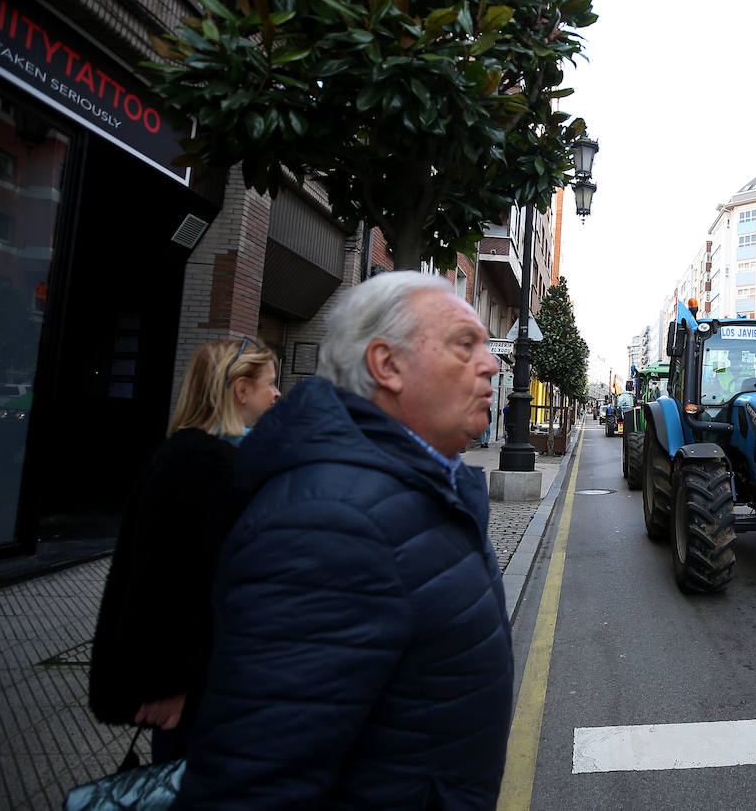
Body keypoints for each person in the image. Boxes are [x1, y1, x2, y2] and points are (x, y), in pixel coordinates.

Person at [175, 272, 510, 810]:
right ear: (387, 365)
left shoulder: (417, 488)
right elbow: (253, 782)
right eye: (463, 344)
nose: (490, 362)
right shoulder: (330, 523)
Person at [89, 336, 279, 763]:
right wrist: (169, 686)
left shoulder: (196, 455)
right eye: (269, 382)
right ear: (241, 389)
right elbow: (172, 585)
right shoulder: (202, 466)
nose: (277, 393)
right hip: (194, 692)